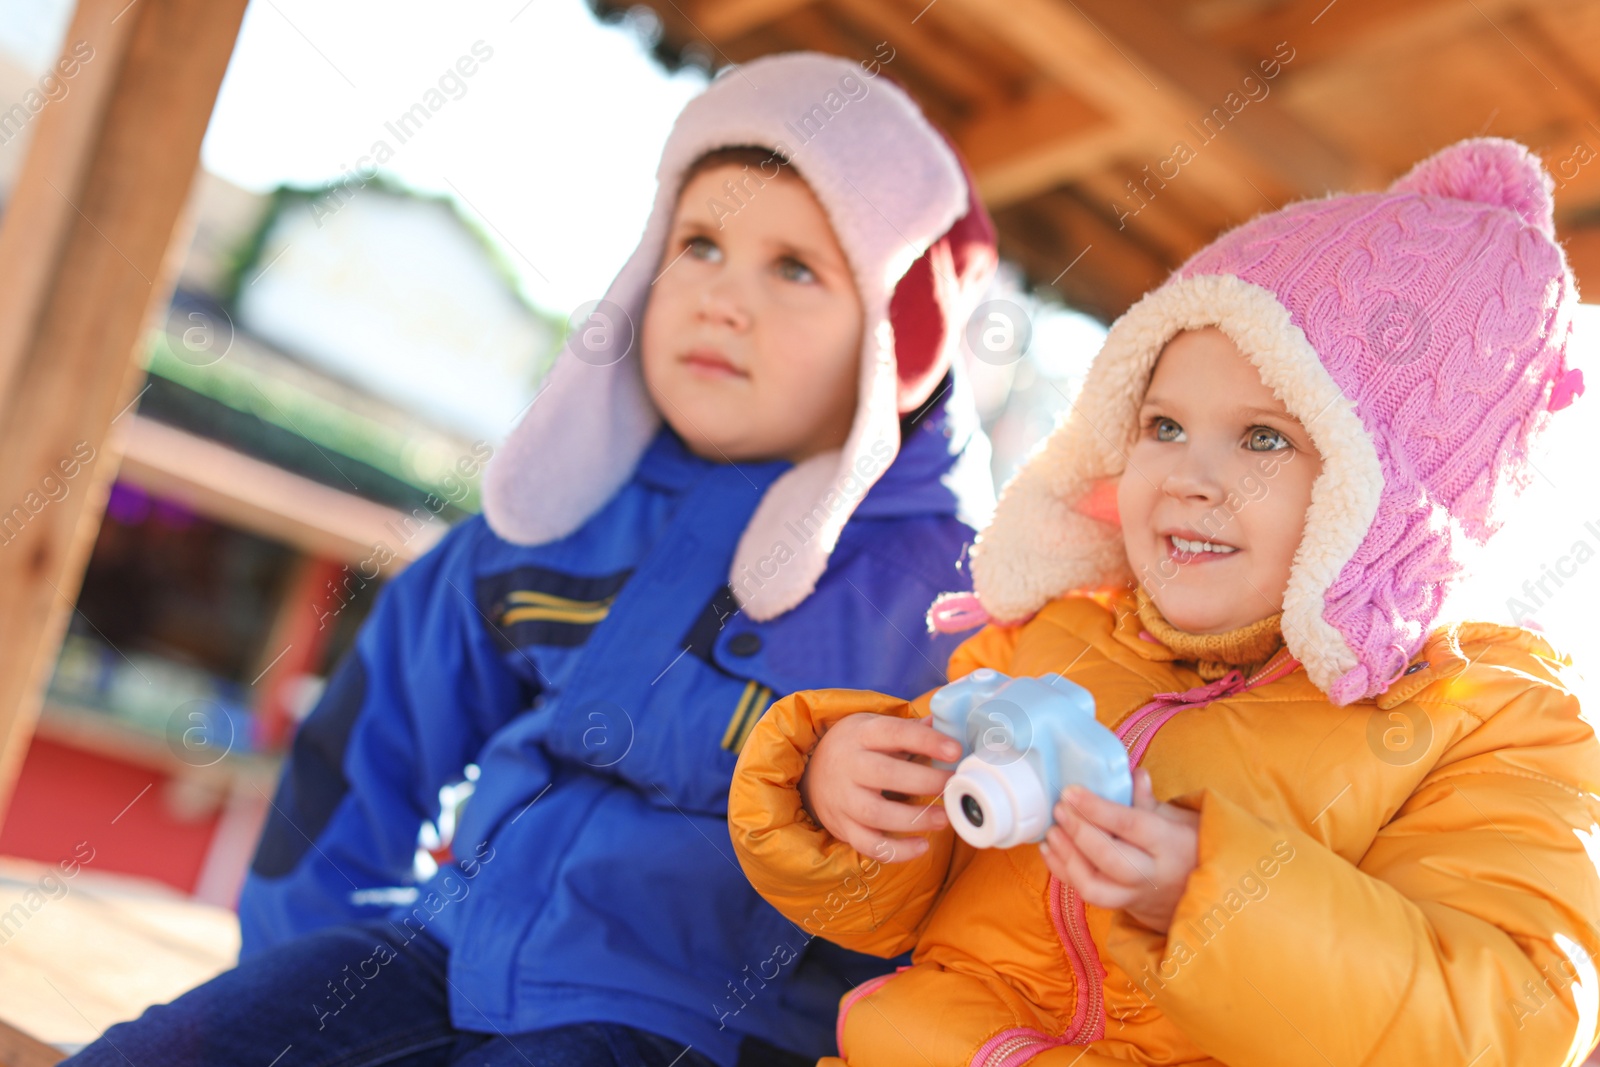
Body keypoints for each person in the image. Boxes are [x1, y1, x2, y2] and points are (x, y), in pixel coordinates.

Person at [65, 52, 998, 1067]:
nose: (724, 298)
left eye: (795, 268)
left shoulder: (942, 604)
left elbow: (968, 902)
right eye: (699, 244)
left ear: (897, 339)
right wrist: (300, 970)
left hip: (681, 1026)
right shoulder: (564, 506)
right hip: (439, 948)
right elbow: (371, 738)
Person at [728, 137, 1600, 1066]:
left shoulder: (1487, 721)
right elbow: (904, 900)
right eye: (1165, 425)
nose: (1190, 475)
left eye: (1265, 437)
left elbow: (1509, 1023)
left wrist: (1216, 897)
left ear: (1396, 496)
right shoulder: (1052, 637)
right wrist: (845, 799)